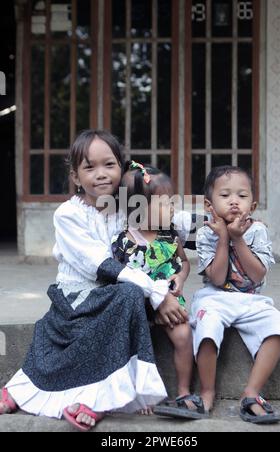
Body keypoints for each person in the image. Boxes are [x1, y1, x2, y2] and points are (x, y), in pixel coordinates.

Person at [0, 130, 193, 431]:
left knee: (127, 298)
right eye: (89, 167)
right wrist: (158, 295)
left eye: (109, 165)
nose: (101, 175)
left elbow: (170, 218)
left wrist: (218, 223)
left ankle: (96, 398)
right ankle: (26, 391)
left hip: (116, 298)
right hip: (79, 299)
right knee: (127, 297)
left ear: (122, 168)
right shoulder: (68, 215)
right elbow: (102, 265)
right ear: (76, 177)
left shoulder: (128, 206)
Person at [190, 166, 280, 424]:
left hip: (252, 300)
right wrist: (224, 238)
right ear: (209, 205)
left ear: (253, 205)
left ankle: (251, 393)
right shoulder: (205, 234)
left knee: (278, 326)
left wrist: (239, 240)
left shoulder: (257, 231)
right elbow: (217, 278)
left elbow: (257, 276)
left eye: (241, 196)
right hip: (214, 297)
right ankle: (207, 392)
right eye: (225, 195)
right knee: (207, 324)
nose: (234, 201)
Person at [112, 161, 205, 419]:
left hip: (171, 302)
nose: (172, 207)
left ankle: (183, 390)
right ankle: (140, 392)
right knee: (132, 339)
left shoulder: (170, 234)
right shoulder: (123, 242)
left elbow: (184, 263)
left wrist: (181, 277)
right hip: (137, 306)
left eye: (172, 201)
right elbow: (120, 281)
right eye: (164, 203)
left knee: (184, 334)